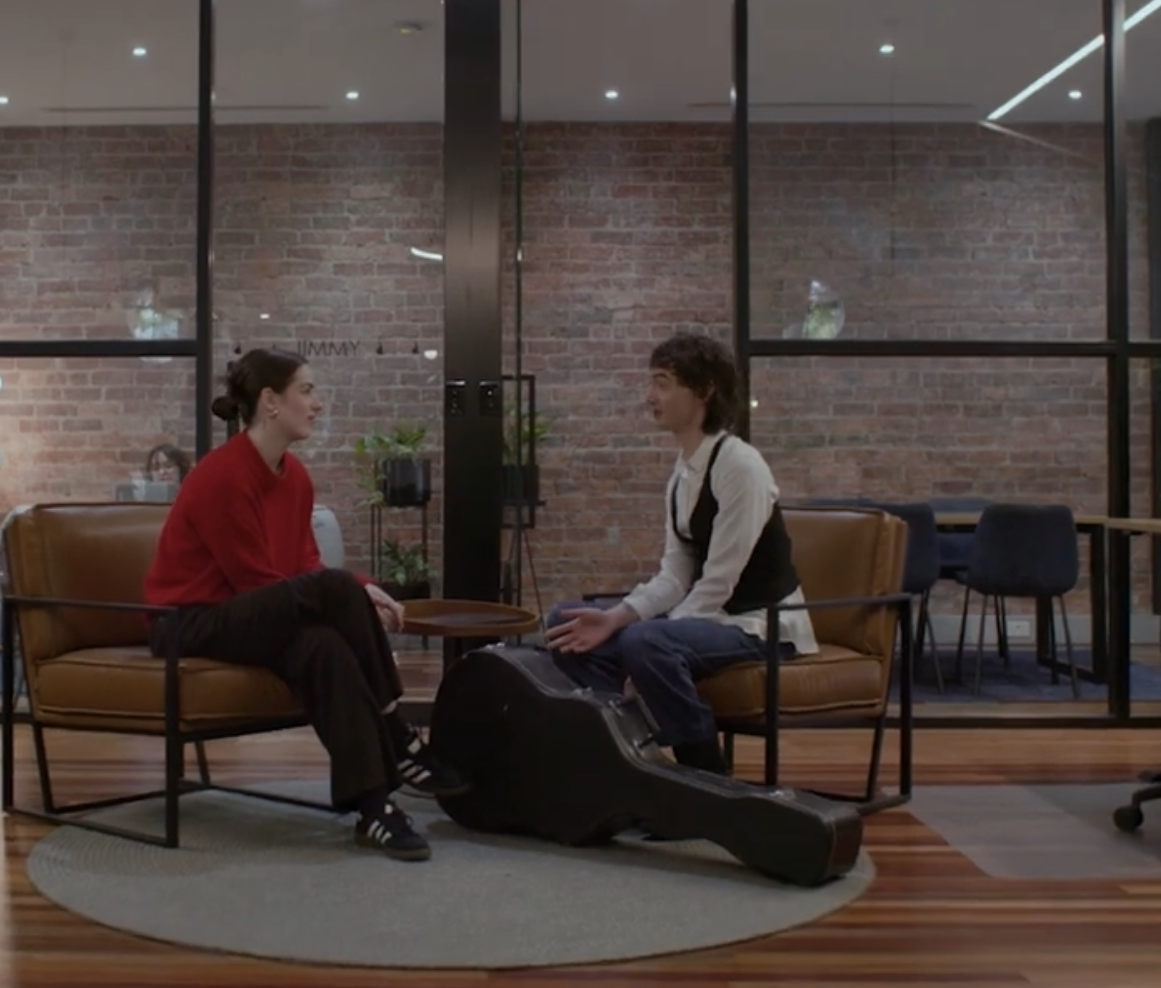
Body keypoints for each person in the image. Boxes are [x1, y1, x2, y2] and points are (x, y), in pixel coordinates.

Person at [142, 348, 467, 862]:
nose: (316, 404)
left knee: (324, 649)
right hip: (190, 622)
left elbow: (304, 565)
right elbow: (257, 582)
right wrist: (345, 591)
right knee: (333, 597)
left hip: (250, 614)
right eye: (307, 391)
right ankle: (397, 731)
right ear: (270, 402)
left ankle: (375, 807)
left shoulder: (294, 478)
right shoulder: (222, 476)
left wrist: (359, 585)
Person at [544, 332, 814, 776]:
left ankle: (705, 776)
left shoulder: (741, 466)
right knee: (565, 623)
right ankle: (635, 757)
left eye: (663, 383)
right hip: (709, 620)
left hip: (758, 624)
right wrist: (614, 617)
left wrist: (643, 640)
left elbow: (718, 582)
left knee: (646, 641)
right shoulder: (684, 472)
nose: (650, 397)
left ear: (704, 390)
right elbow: (675, 575)